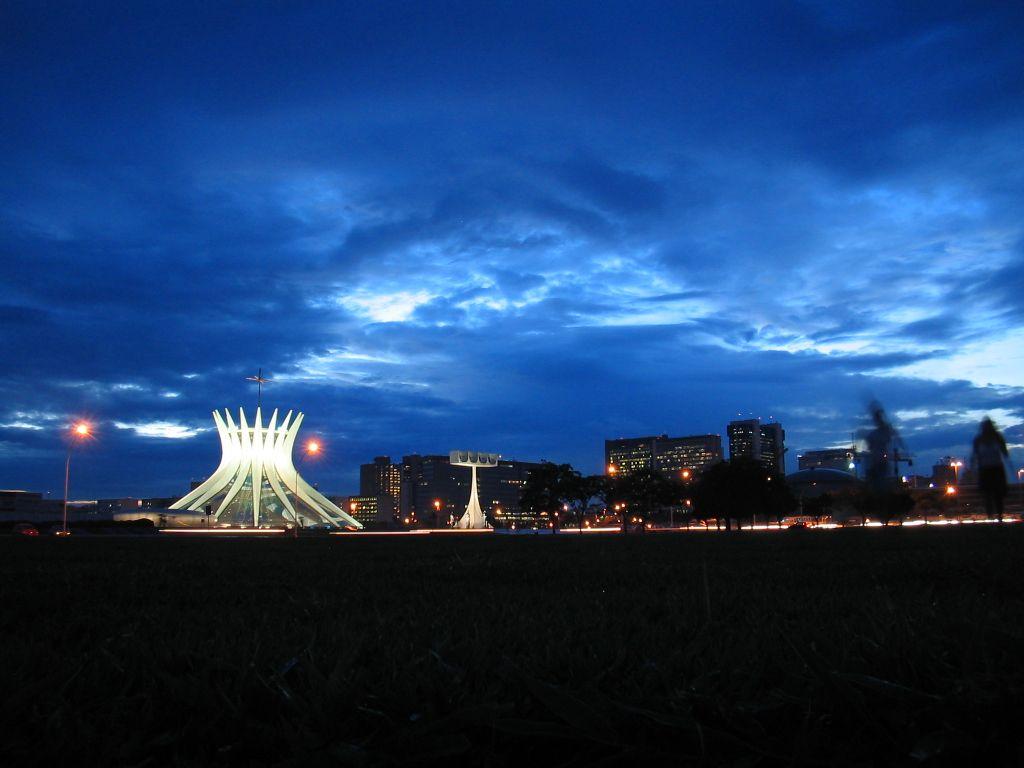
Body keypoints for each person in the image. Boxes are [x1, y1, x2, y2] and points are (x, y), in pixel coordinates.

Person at [971, 418, 1009, 522]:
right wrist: (973, 468)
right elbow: (974, 455)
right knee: (987, 494)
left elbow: (1004, 452)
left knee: (998, 495)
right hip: (985, 469)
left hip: (996, 469)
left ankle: (999, 517)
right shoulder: (978, 440)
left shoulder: (997, 437)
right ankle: (991, 516)